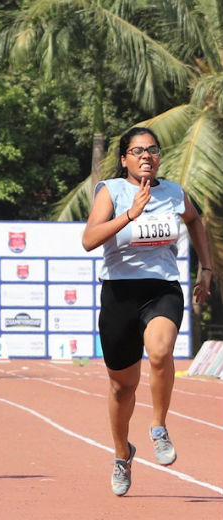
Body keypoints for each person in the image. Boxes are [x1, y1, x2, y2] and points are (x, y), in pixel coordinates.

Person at [82, 126, 212, 496]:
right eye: (137, 151)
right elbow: (89, 240)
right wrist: (130, 214)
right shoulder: (111, 191)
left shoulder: (173, 192)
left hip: (162, 288)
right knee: (122, 388)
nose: (146, 156)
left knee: (159, 352)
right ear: (124, 159)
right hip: (119, 293)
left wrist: (207, 268)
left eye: (152, 150)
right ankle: (123, 453)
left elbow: (195, 221)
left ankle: (158, 427)